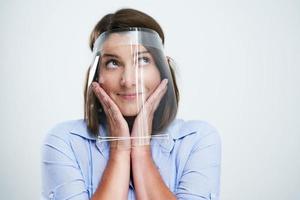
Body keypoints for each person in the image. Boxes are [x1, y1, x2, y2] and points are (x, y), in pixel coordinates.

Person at [41, 8, 221, 200]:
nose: (128, 81)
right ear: (96, 75)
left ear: (162, 68)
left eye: (143, 60)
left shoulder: (197, 139)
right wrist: (119, 150)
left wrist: (141, 151)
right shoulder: (64, 141)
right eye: (113, 63)